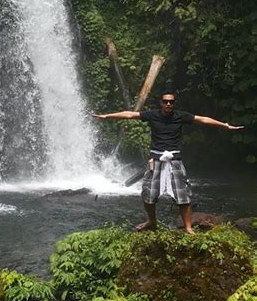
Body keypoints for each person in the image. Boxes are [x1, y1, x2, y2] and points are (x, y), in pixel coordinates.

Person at [91, 91, 244, 234]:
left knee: (183, 196)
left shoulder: (180, 116)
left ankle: (188, 227)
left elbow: (202, 119)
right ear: (161, 103)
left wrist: (224, 125)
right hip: (156, 159)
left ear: (174, 103)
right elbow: (130, 114)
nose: (168, 104)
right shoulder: (152, 115)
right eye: (166, 101)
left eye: (171, 102)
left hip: (174, 159)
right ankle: (151, 221)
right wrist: (107, 116)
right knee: (148, 195)